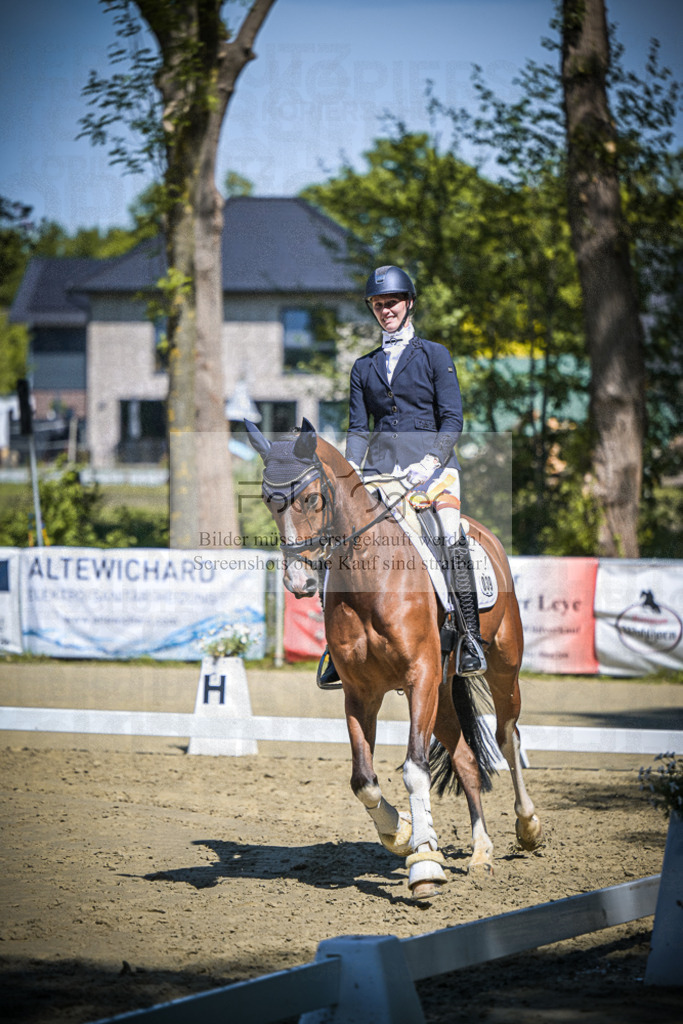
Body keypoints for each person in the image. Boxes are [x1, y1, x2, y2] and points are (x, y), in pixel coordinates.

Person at [316, 264, 486, 688]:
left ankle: (469, 637)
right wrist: (351, 472)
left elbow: (452, 419)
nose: (385, 310)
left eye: (391, 302)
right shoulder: (364, 366)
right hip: (379, 473)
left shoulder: (434, 355)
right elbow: (359, 428)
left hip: (432, 471)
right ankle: (335, 646)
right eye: (378, 304)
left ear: (408, 303)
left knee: (449, 531)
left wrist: (431, 462)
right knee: (338, 541)